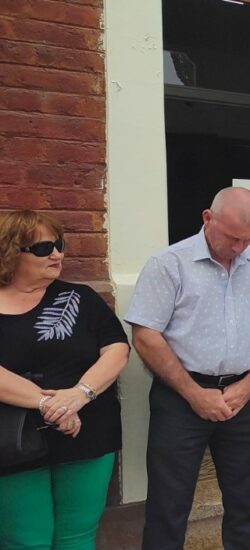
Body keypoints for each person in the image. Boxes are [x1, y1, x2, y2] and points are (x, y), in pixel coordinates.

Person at [127, 188, 250, 550]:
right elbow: (145, 335)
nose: (239, 248)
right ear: (207, 218)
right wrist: (194, 394)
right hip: (181, 397)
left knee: (248, 503)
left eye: (248, 240)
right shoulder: (169, 263)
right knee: (168, 505)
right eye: (232, 237)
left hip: (244, 395)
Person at [0, 211, 130, 550]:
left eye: (58, 245)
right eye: (43, 248)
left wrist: (79, 395)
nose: (57, 254)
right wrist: (50, 404)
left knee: (77, 535)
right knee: (25, 540)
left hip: (86, 434)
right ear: (11, 251)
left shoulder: (81, 299)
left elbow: (116, 348)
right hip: (11, 440)